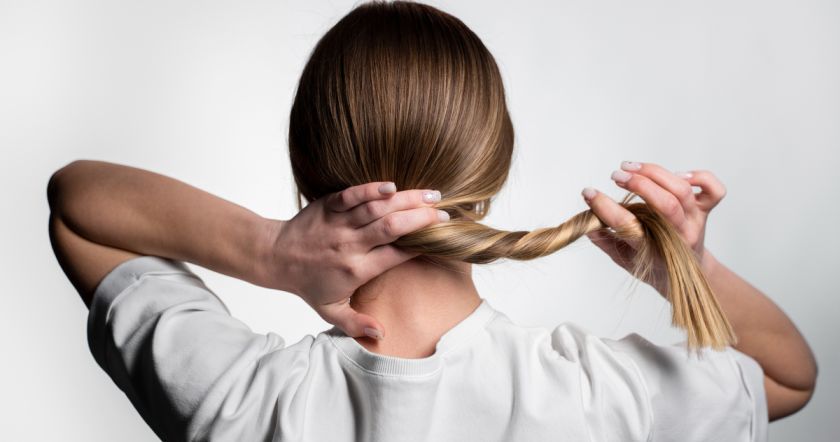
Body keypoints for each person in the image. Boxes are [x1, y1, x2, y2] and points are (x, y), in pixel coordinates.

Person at [47, 1, 817, 441]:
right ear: (492, 172)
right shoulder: (603, 397)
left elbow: (78, 210)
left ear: (305, 172)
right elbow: (788, 376)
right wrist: (685, 270)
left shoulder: (246, 400)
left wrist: (271, 253)